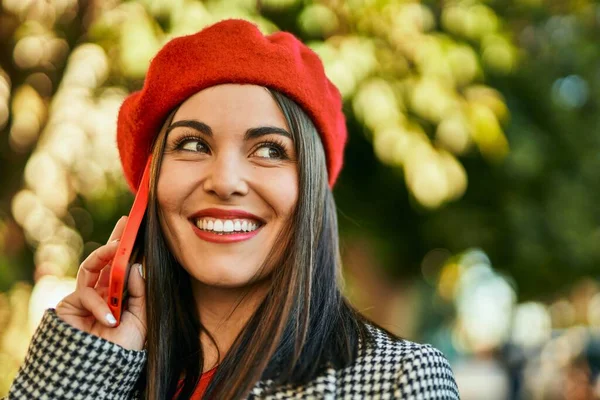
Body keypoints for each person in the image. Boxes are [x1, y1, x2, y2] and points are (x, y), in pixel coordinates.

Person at [6, 19, 460, 399]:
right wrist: (83, 363)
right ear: (150, 184)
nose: (224, 181)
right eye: (192, 144)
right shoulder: (101, 370)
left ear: (311, 194)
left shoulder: (398, 381)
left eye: (269, 150)